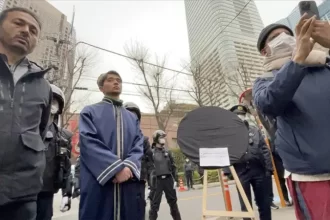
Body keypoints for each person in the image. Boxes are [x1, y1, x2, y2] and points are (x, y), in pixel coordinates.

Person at [253, 13, 330, 219]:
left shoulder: (325, 65)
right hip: (313, 175)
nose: (284, 38)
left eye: (289, 34)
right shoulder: (266, 80)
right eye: (276, 36)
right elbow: (269, 104)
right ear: (264, 51)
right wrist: (297, 61)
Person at [0, 7, 52, 220]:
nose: (26, 31)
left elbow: (40, 132)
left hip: (22, 196)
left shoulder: (43, 85)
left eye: (33, 30)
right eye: (18, 23)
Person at [78, 70, 144, 220]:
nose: (116, 82)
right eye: (110, 80)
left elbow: (138, 144)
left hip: (128, 181)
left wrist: (128, 166)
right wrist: (115, 169)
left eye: (118, 80)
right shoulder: (89, 112)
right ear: (101, 87)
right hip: (98, 182)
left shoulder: (132, 118)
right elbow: (88, 142)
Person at [229, 104, 273, 220]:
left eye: (242, 115)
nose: (240, 117)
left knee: (264, 202)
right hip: (241, 171)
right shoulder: (228, 134)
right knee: (246, 205)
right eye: (237, 115)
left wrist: (269, 169)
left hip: (259, 170)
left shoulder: (254, 130)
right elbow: (225, 152)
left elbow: (264, 149)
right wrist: (228, 172)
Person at [36, 84, 73, 220]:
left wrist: (66, 194)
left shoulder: (63, 137)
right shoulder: (22, 128)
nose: (50, 104)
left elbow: (66, 167)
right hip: (20, 191)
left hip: (46, 193)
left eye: (54, 101)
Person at [123, 101, 153, 219]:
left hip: (138, 184)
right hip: (120, 183)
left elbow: (151, 164)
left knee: (138, 213)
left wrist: (151, 186)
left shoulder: (143, 140)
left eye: (134, 116)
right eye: (128, 115)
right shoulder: (117, 139)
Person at [148, 130, 182, 220]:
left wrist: (175, 180)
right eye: (161, 137)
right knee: (154, 206)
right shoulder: (151, 153)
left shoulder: (168, 152)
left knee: (173, 203)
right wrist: (150, 183)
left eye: (163, 137)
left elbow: (173, 166)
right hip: (157, 181)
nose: (163, 139)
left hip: (168, 180)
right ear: (156, 139)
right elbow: (149, 169)